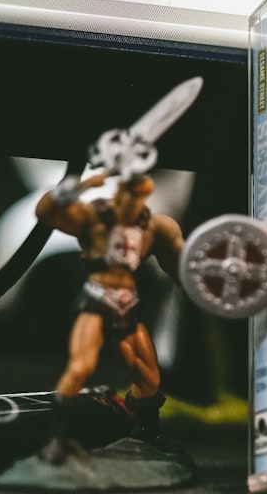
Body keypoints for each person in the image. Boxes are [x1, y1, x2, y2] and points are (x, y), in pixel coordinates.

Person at [35, 171, 185, 463]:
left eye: (139, 195)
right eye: (128, 194)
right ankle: (56, 437)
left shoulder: (154, 226)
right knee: (81, 366)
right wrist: (72, 189)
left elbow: (182, 266)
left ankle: (145, 431)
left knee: (148, 377)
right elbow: (47, 212)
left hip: (128, 304)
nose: (133, 201)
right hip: (97, 298)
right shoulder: (94, 217)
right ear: (119, 194)